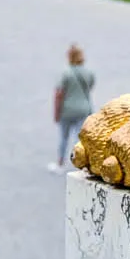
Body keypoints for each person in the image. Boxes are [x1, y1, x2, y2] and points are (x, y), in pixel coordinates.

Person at [51, 45, 95, 173]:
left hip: (67, 110)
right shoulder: (88, 73)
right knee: (79, 138)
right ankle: (80, 164)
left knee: (63, 137)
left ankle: (60, 163)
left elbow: (59, 94)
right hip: (83, 109)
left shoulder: (66, 73)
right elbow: (90, 87)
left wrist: (56, 113)